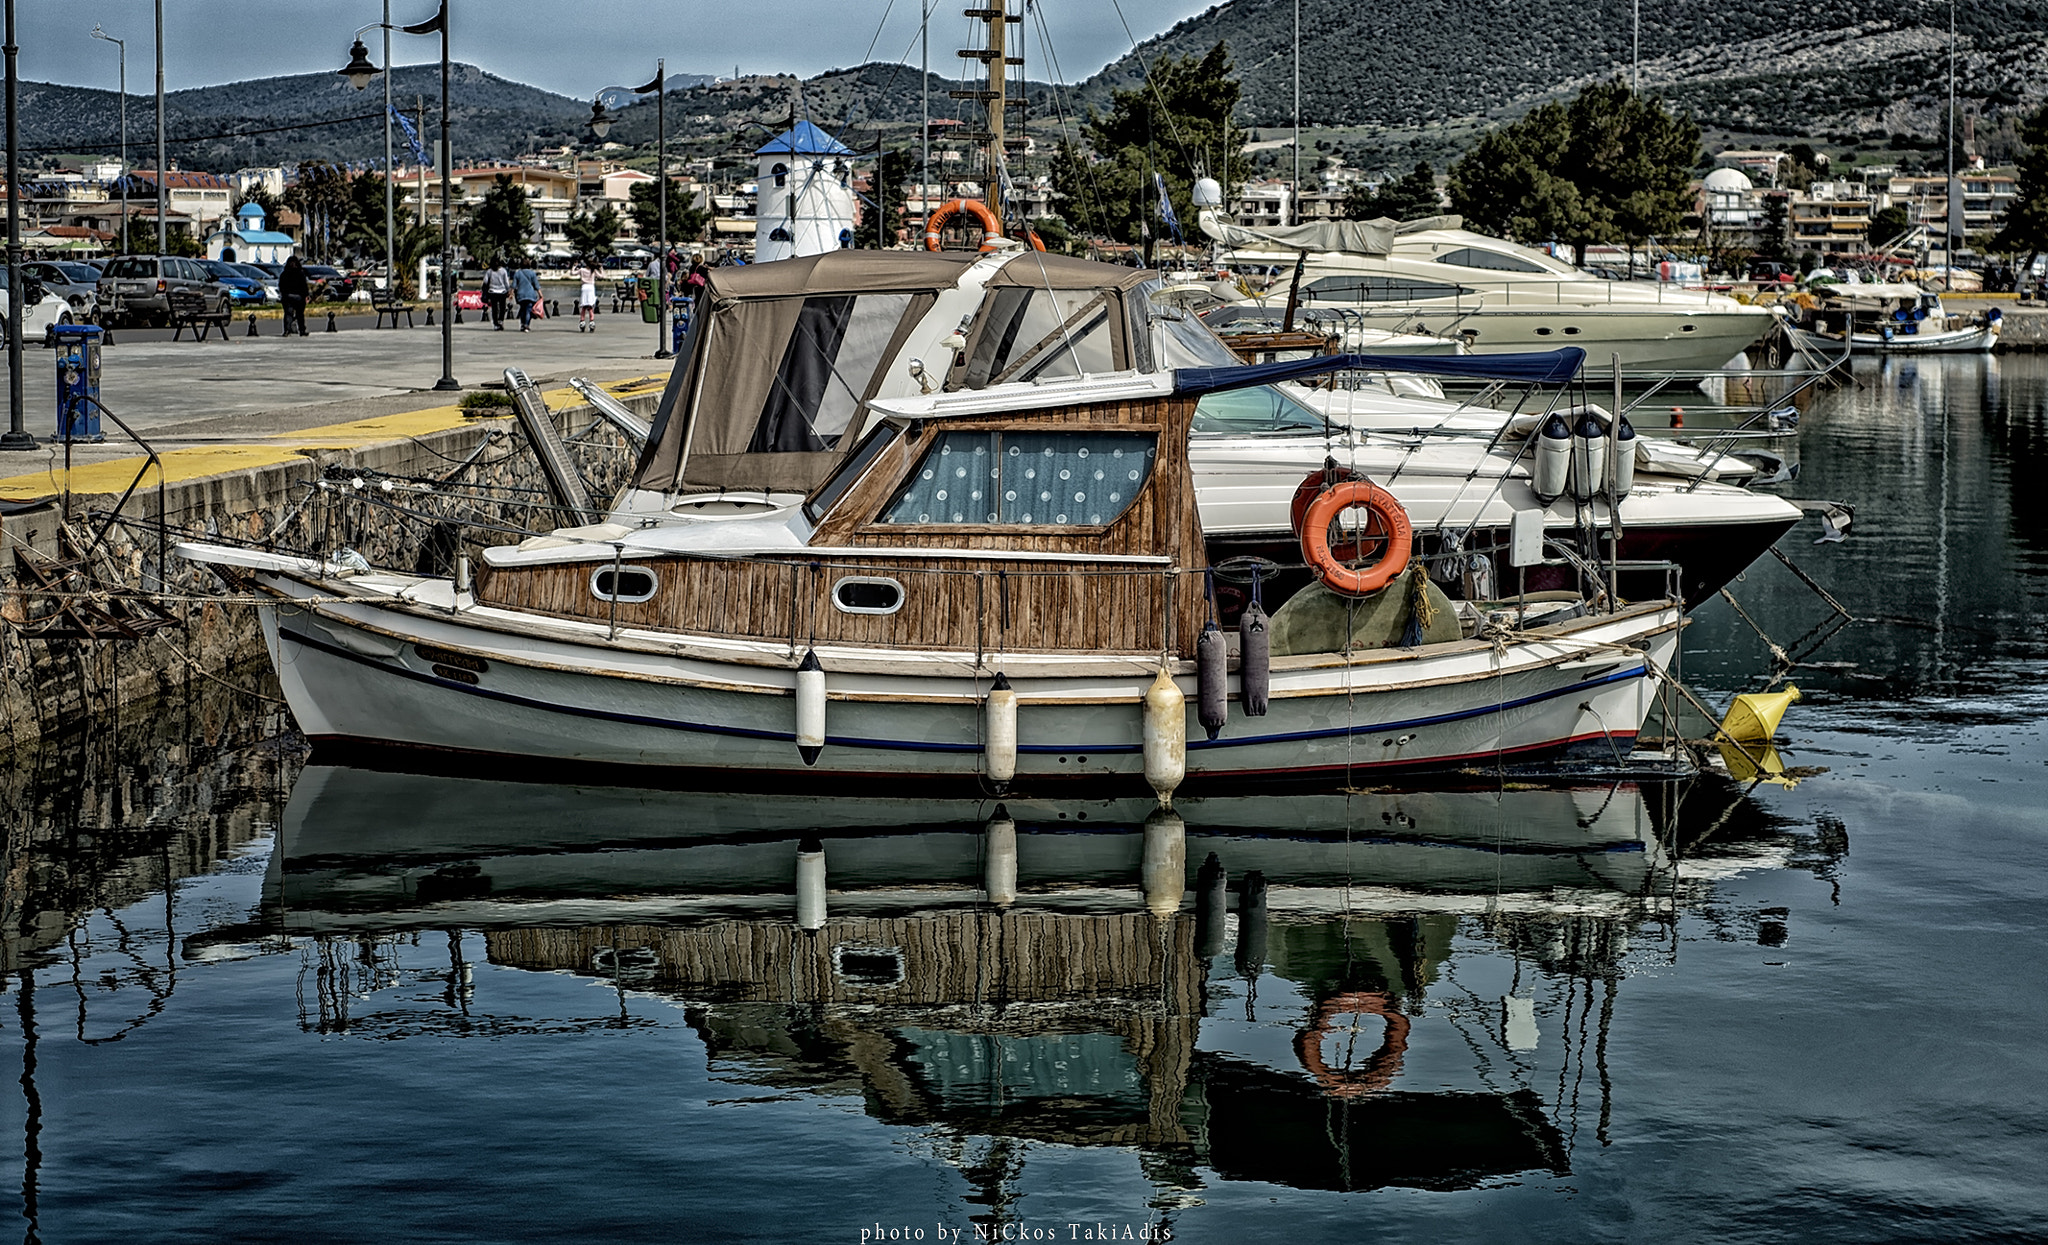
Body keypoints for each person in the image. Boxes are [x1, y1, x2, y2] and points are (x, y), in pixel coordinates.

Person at [279, 255, 309, 337]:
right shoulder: (300, 273)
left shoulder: (284, 274)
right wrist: (306, 295)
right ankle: (302, 330)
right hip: (299, 297)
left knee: (288, 314)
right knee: (300, 315)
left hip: (287, 296)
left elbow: (281, 286)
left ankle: (287, 331)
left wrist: (283, 294)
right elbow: (304, 286)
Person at [483, 258, 512, 329]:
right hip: (502, 292)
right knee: (502, 307)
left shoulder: (489, 271)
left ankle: (496, 324)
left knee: (494, 309)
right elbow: (506, 282)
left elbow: (485, 282)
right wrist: (509, 290)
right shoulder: (503, 271)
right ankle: (501, 320)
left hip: (492, 291)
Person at [512, 261, 542, 332]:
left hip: (521, 294)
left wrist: (511, 293)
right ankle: (526, 325)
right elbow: (536, 285)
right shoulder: (532, 273)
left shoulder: (518, 273)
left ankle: (522, 324)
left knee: (522, 309)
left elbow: (514, 285)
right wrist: (540, 294)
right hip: (530, 294)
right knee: (528, 310)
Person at [576, 258, 599, 332]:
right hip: (591, 288)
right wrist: (601, 268)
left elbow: (573, 273)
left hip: (584, 287)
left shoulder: (582, 270)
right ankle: (591, 322)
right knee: (590, 306)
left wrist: (574, 266)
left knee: (583, 306)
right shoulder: (593, 271)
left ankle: (582, 322)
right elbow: (602, 276)